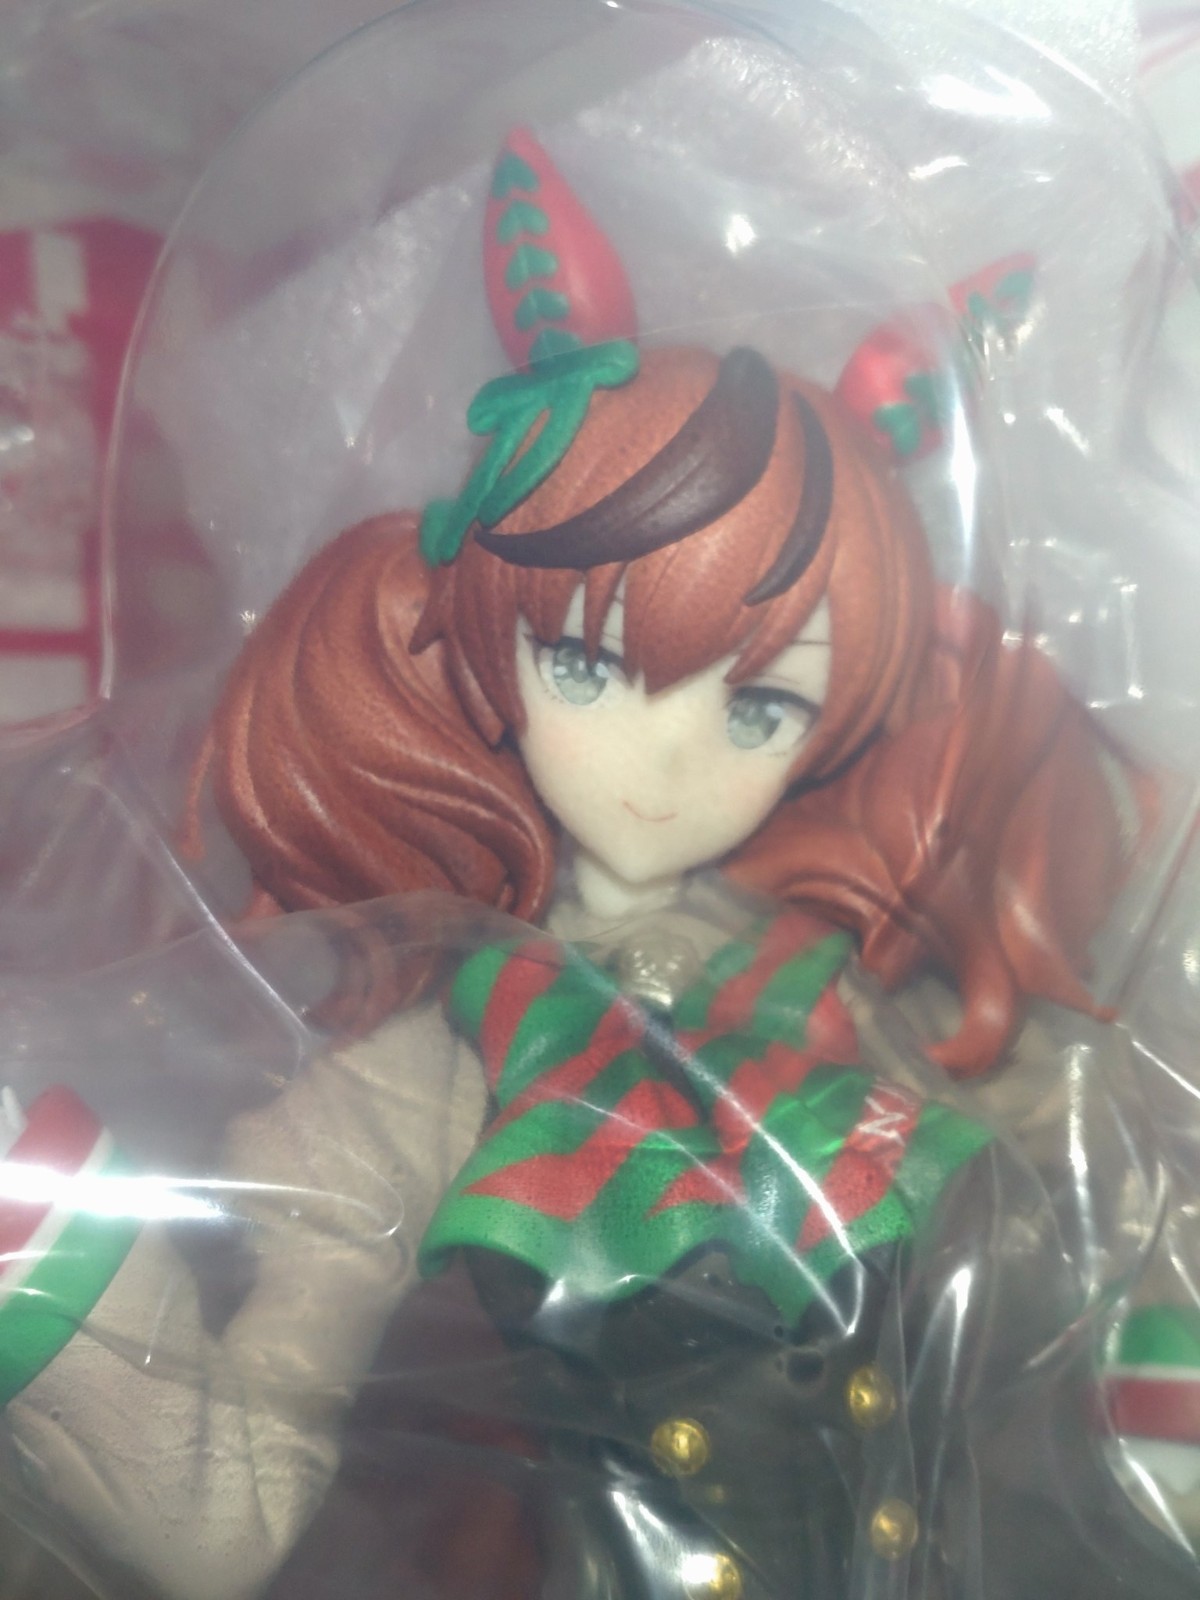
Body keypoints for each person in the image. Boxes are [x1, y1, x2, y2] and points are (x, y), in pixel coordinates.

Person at [0, 130, 1190, 1600]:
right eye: (588, 664)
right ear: (489, 636)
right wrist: (64, 1262)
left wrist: (1152, 1342)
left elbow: (1079, 1190)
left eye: (762, 707)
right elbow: (224, 1514)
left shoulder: (827, 982)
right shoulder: (452, 1050)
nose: (665, 766)